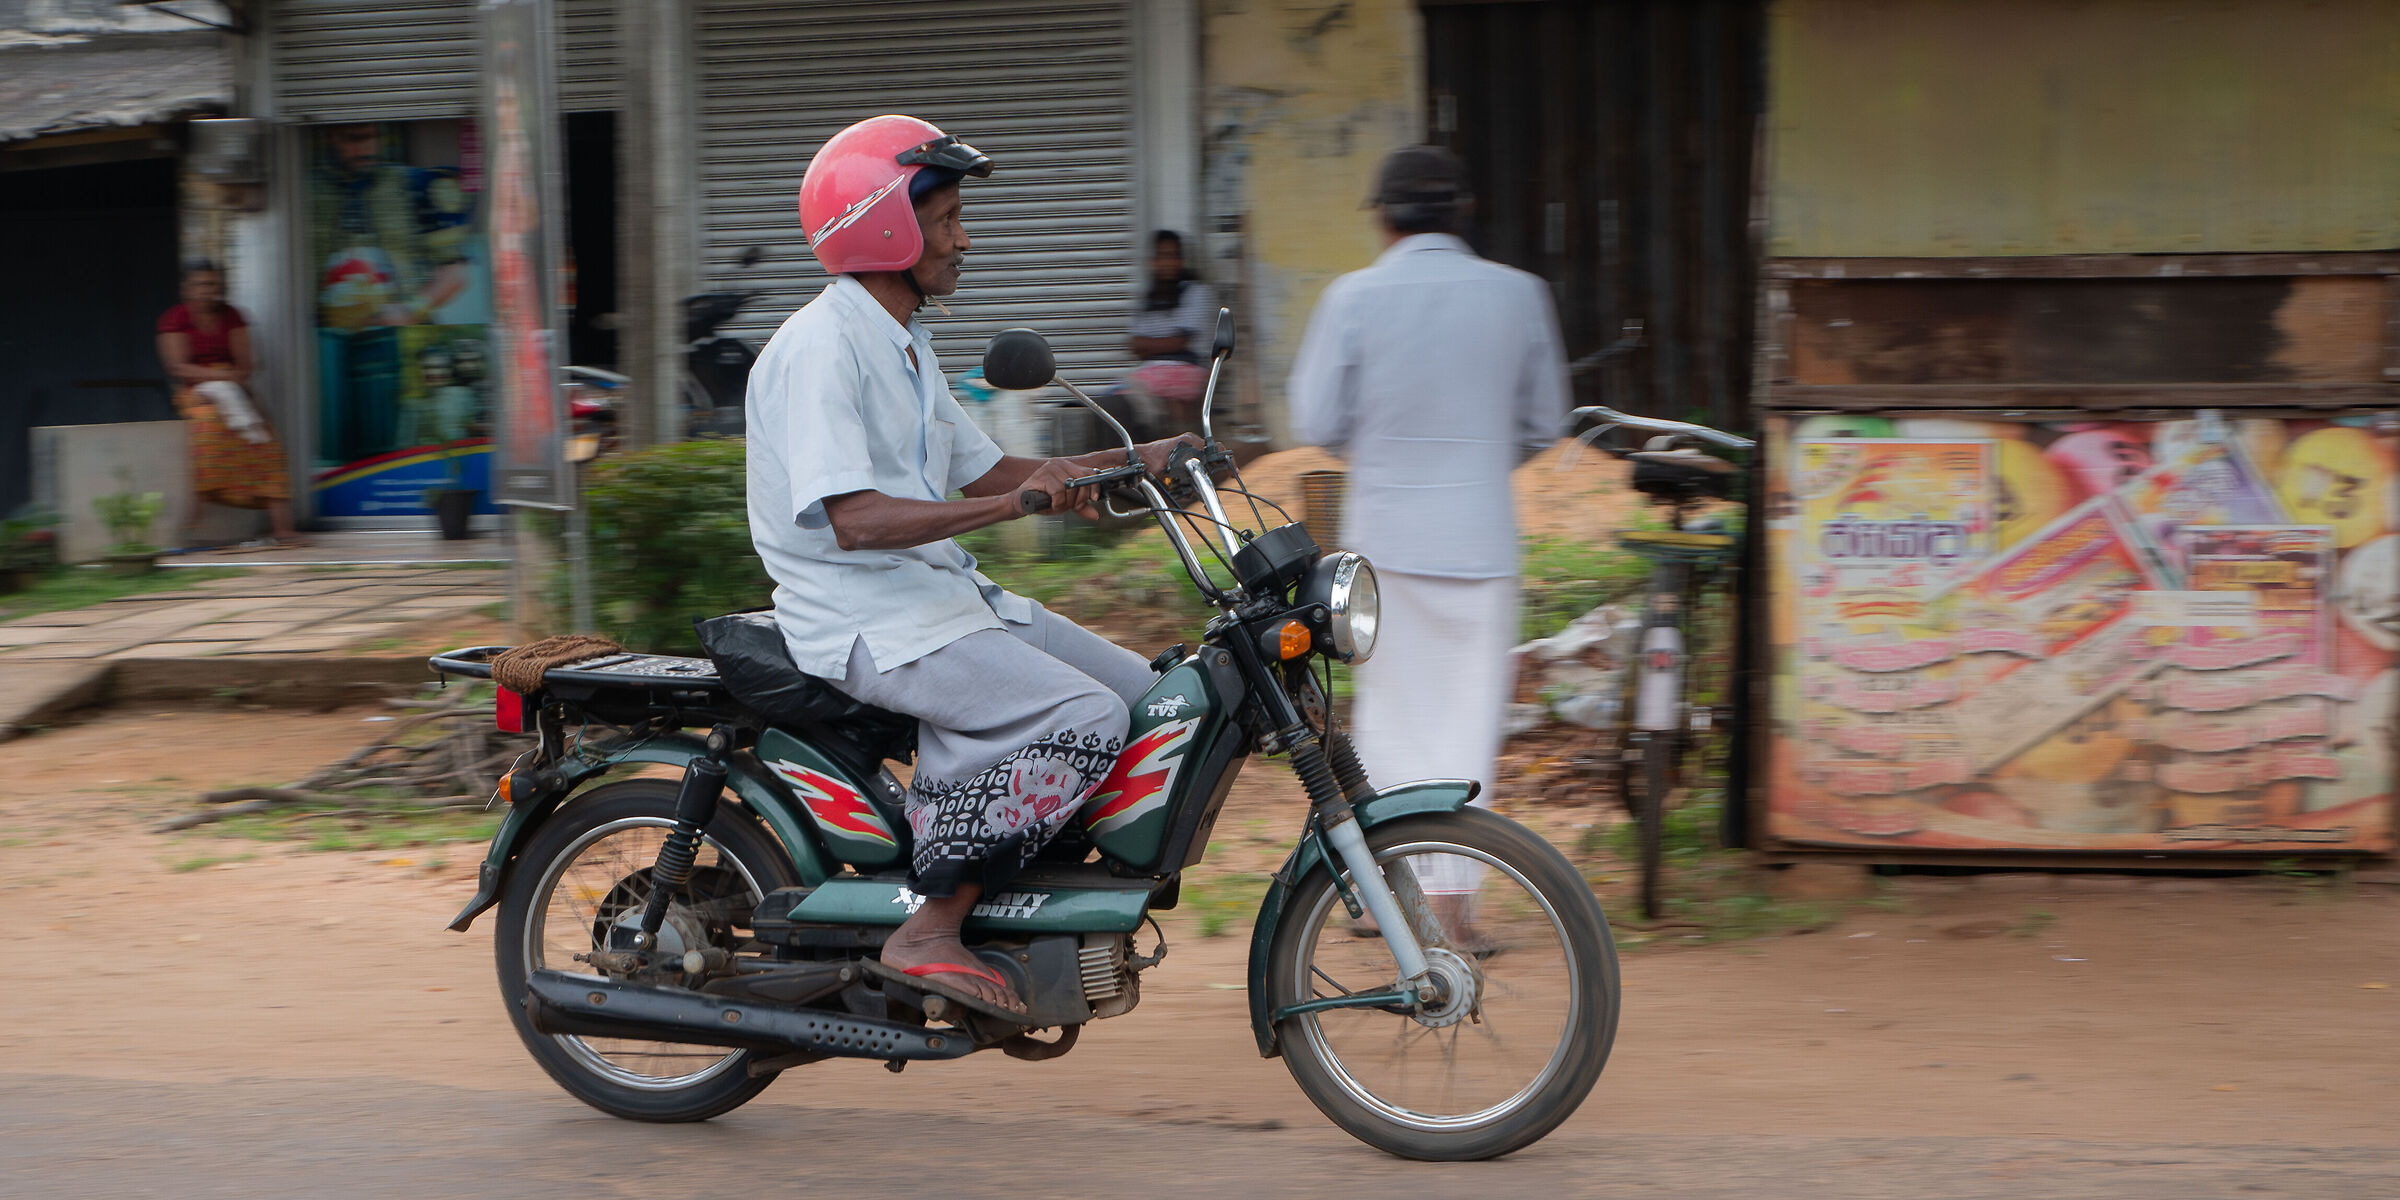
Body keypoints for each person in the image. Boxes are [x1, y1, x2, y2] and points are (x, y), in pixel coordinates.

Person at [749, 115, 1198, 1017]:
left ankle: (1027, 881)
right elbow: (859, 520)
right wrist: (1012, 506)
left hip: (941, 600)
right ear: (888, 228)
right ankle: (932, 923)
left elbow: (989, 470)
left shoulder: (903, 341)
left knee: (1152, 700)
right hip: (868, 622)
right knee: (1083, 711)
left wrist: (1133, 462)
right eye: (948, 219)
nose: (965, 239)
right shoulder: (820, 350)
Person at [1286, 145, 1569, 946]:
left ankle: (1394, 902)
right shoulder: (1520, 295)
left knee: (1392, 724)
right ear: (1463, 212)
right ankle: (1456, 909)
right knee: (1470, 723)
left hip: (1387, 544)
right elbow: (1546, 421)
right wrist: (1477, 459)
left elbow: (1316, 424)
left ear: (1382, 218)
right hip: (1481, 539)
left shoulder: (1354, 297)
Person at [157, 261, 303, 549]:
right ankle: (193, 526)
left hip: (236, 390)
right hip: (194, 391)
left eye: (213, 284)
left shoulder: (233, 316)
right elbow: (178, 367)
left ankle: (283, 529)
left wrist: (229, 381)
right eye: (200, 284)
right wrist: (217, 378)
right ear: (187, 288)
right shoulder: (174, 318)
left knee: (264, 439)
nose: (208, 291)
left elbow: (245, 365)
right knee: (209, 428)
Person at [1114, 230, 1217, 439]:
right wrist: (1163, 344)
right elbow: (1135, 346)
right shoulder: (1148, 298)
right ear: (1153, 262)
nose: (1168, 263)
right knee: (1115, 398)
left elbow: (1180, 342)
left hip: (1188, 372)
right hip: (1152, 373)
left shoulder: (1196, 293)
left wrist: (1151, 344)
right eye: (1162, 256)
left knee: (1134, 401)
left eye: (1173, 256)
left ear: (1181, 260)